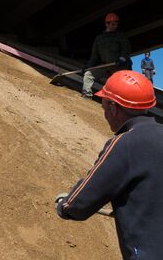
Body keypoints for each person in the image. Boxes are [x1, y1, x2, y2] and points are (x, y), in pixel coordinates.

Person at [55, 70, 161, 259]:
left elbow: (81, 203)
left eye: (104, 107)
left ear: (113, 107)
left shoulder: (127, 143)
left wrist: (65, 206)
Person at [82, 12, 132, 99]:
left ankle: (122, 101)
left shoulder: (121, 36)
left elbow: (126, 50)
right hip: (106, 66)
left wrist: (122, 58)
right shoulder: (99, 39)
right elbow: (94, 56)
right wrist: (87, 66)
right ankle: (86, 95)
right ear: (107, 24)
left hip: (120, 67)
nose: (115, 26)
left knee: (121, 85)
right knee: (88, 74)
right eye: (112, 24)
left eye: (116, 24)